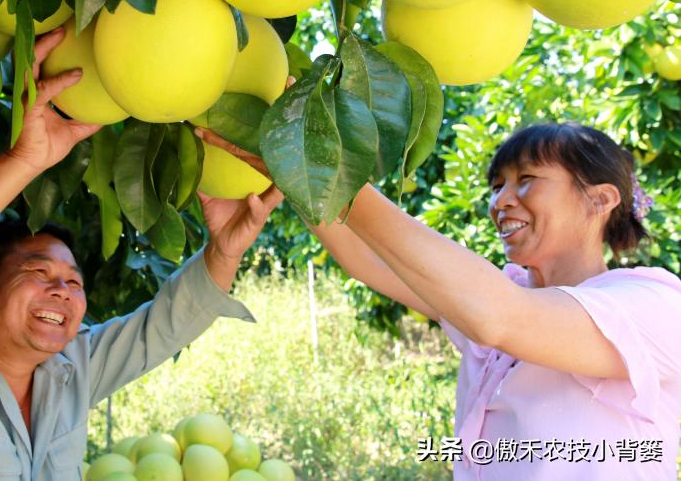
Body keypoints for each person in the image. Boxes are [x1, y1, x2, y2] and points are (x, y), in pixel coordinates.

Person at [0, 29, 284, 480]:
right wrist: (25, 161)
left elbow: (161, 328)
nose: (63, 292)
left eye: (73, 282)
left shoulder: (70, 373)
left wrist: (224, 252)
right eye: (38, 272)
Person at [200, 121, 681, 480]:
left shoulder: (649, 305)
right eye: (497, 186)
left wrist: (331, 173)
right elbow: (374, 261)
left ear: (599, 201)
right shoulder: (505, 289)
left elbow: (500, 319)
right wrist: (297, 175)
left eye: (527, 179)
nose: (501, 201)